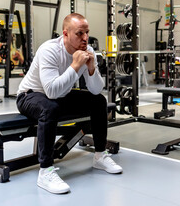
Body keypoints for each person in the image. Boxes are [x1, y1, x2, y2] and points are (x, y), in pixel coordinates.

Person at [16, 13, 123, 194]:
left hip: (59, 95)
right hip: (30, 95)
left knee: (99, 101)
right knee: (50, 108)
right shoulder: (49, 50)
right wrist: (75, 66)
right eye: (79, 33)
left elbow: (96, 89)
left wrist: (91, 69)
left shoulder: (87, 51)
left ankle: (99, 156)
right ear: (65, 34)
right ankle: (46, 171)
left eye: (87, 32)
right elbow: (50, 91)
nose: (85, 38)